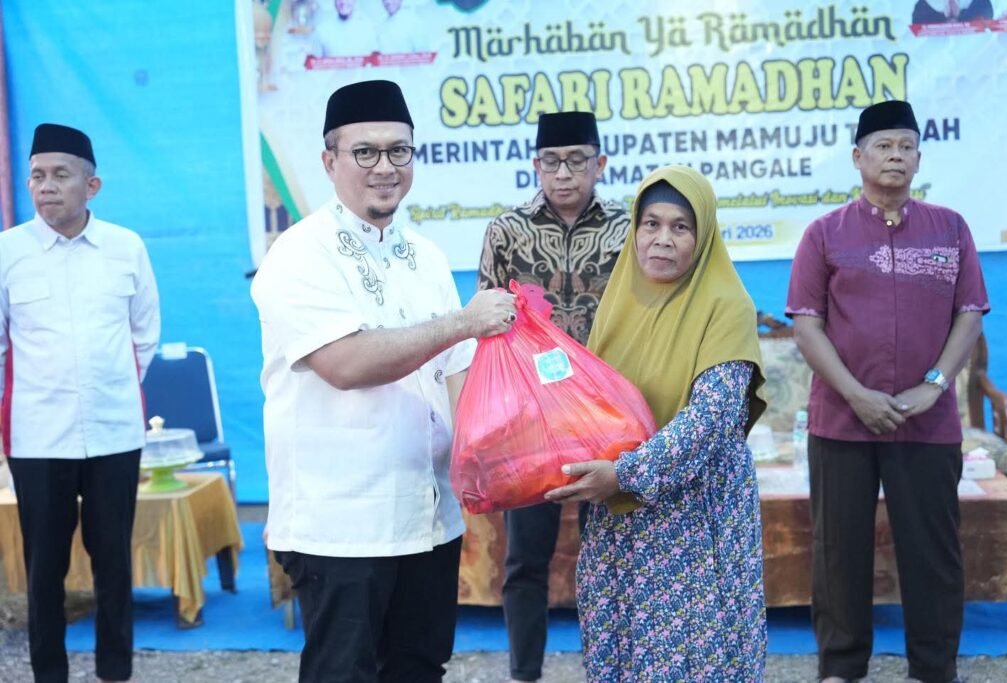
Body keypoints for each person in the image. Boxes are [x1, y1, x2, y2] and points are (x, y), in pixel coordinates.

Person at [250, 79, 516, 683]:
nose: (385, 167)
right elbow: (346, 364)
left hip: (429, 518)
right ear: (329, 161)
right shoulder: (300, 254)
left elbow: (457, 371)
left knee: (419, 668)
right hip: (341, 525)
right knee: (343, 674)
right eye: (364, 152)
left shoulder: (425, 255)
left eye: (399, 150)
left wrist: (491, 456)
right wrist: (462, 322)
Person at [786, 100, 988, 683]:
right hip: (841, 421)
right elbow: (806, 325)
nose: (895, 156)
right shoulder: (825, 234)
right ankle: (841, 668)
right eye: (883, 146)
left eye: (906, 147)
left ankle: (934, 668)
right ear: (858, 157)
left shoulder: (950, 229)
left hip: (927, 422)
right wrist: (856, 394)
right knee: (839, 553)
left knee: (933, 553)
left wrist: (934, 386)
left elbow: (970, 313)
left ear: (919, 158)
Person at [545, 165, 768, 680]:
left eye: (680, 227)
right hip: (620, 524)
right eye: (651, 224)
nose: (662, 239)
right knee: (622, 651)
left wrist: (622, 474)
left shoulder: (726, 306)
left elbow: (710, 420)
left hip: (694, 522)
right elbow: (589, 402)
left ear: (702, 236)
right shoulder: (619, 301)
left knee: (694, 658)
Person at [0, 123, 161, 683]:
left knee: (112, 560)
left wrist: (108, 387)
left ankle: (115, 671)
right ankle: (49, 673)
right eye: (37, 176)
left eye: (60, 175)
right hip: (37, 436)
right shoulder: (7, 252)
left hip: (115, 431)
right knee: (45, 566)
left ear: (91, 186)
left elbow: (145, 334)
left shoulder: (126, 248)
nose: (46, 186)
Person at [476, 110, 630, 683]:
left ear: (600, 163)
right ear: (536, 165)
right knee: (525, 559)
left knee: (608, 557)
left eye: (576, 161)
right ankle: (524, 673)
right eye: (552, 162)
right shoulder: (507, 230)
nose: (564, 173)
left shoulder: (628, 228)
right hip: (529, 418)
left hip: (604, 417)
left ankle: (610, 670)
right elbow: (489, 317)